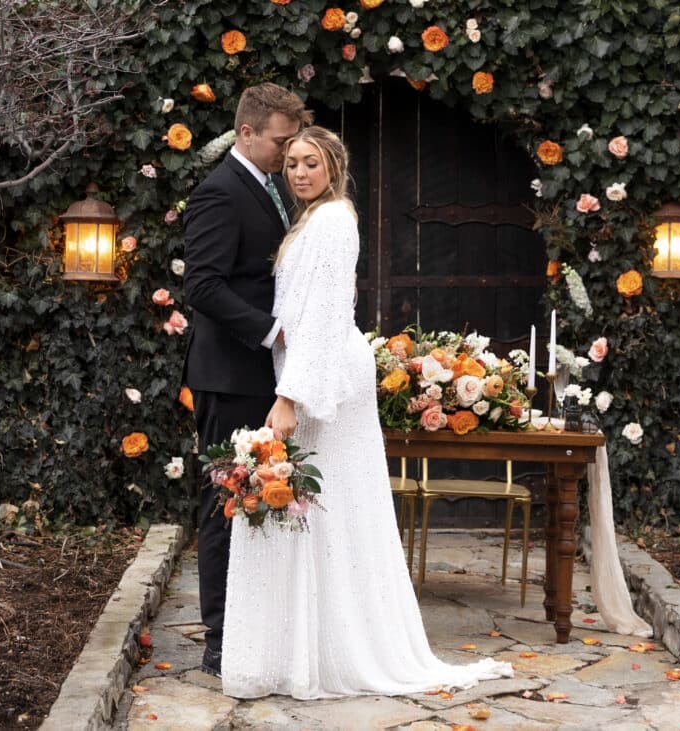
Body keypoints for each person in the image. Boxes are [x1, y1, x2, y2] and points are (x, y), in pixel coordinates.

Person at [221, 126, 513, 698]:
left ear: (333, 165)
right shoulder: (309, 220)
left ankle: (334, 649)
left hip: (322, 377)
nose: (299, 173)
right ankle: (304, 646)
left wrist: (290, 397)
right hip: (307, 368)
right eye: (293, 164)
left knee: (321, 504)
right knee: (311, 509)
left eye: (311, 163)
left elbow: (327, 314)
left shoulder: (333, 220)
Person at [182, 83, 311, 677]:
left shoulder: (268, 188)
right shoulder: (219, 192)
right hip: (230, 375)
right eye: (281, 143)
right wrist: (273, 332)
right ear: (247, 133)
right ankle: (219, 639)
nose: (288, 155)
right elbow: (203, 286)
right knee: (223, 505)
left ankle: (250, 626)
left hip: (258, 376)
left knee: (258, 502)